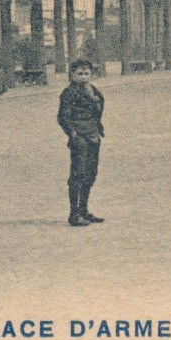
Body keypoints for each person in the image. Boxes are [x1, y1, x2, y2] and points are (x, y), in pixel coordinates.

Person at [57, 58, 106, 227]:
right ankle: (74, 214)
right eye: (79, 74)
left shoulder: (93, 90)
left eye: (86, 73)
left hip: (93, 135)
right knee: (77, 175)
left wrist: (98, 126)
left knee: (90, 174)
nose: (83, 77)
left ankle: (84, 211)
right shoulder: (68, 93)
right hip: (80, 137)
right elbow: (62, 117)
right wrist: (73, 134)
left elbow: (98, 109)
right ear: (72, 74)